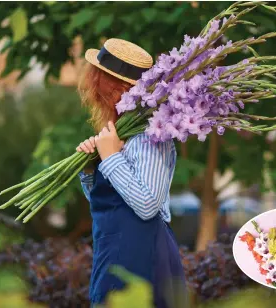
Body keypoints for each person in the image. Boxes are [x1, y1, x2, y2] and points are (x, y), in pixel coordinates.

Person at [75, 38, 187, 307]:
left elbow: (148, 204)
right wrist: (91, 169)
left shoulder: (151, 136)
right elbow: (109, 205)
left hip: (141, 257)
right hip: (114, 252)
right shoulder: (119, 134)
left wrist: (111, 156)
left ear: (111, 88)